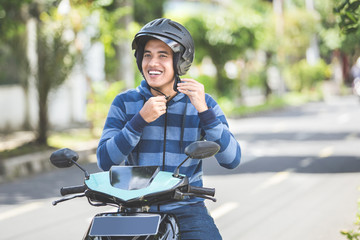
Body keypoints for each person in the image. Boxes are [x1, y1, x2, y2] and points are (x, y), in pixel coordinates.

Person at [96, 18, 241, 239]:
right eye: (147, 55)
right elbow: (105, 160)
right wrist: (139, 120)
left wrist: (203, 111)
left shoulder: (202, 102)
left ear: (180, 62)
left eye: (162, 55)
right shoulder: (124, 102)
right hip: (134, 210)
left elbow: (231, 159)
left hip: (187, 210)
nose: (153, 63)